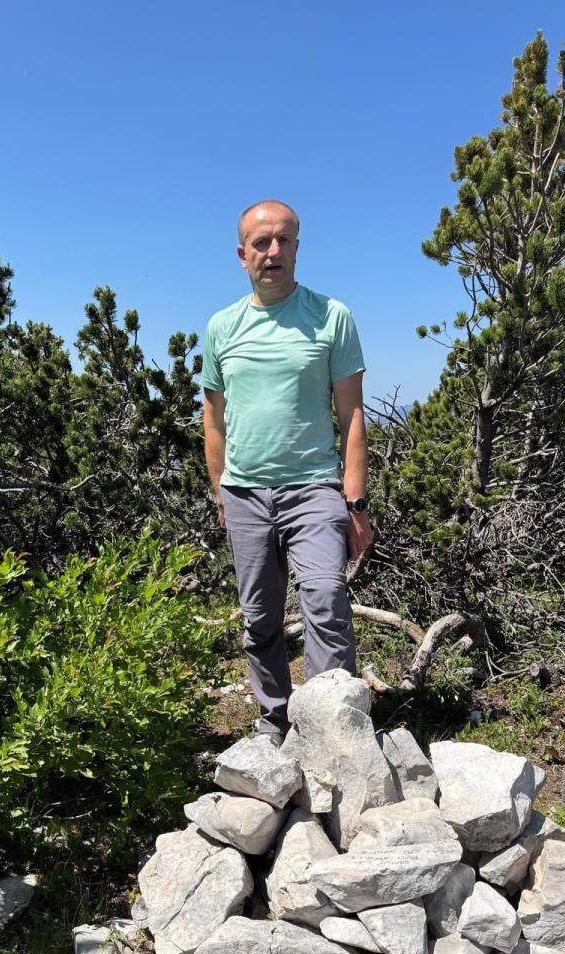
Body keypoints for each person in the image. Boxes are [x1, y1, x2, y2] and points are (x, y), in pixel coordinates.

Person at [200, 199, 373, 741]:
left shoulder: (331, 316)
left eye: (283, 241)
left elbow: (352, 413)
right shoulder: (221, 327)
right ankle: (274, 723)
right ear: (242, 254)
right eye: (261, 243)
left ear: (297, 247)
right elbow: (213, 419)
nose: (272, 252)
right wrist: (220, 493)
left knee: (325, 600)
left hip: (314, 487)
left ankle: (330, 729)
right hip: (244, 493)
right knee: (260, 619)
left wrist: (356, 502)